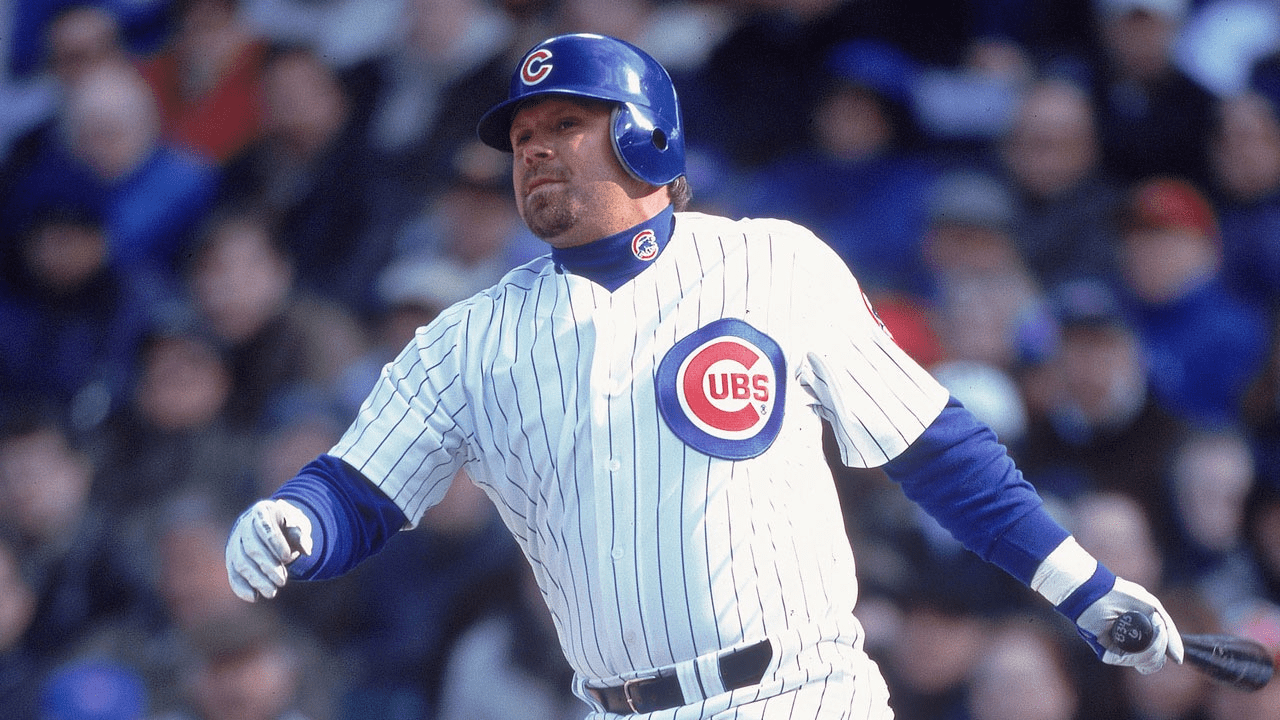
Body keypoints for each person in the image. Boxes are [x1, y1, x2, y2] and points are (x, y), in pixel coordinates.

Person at [225, 33, 1184, 719]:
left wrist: (1086, 587)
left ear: (646, 133)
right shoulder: (466, 339)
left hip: (801, 695)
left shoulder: (770, 263)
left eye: (565, 123)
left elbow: (935, 450)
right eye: (521, 137)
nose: (535, 148)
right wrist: (294, 519)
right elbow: (357, 492)